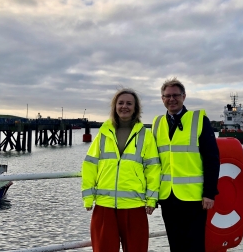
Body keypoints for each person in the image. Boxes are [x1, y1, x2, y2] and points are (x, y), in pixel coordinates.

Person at [81, 88, 161, 252]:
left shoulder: (145, 136)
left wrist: (151, 199)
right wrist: (88, 197)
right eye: (121, 103)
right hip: (104, 206)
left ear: (136, 108)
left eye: (129, 103)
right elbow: (90, 164)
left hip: (135, 206)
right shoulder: (103, 133)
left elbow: (153, 168)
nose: (124, 106)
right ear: (115, 106)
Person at [152, 77, 220, 252]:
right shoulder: (157, 123)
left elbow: (212, 158)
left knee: (195, 244)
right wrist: (151, 196)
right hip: (167, 196)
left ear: (184, 96)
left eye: (176, 95)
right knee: (175, 244)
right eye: (167, 96)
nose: (171, 99)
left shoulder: (198, 119)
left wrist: (209, 193)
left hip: (194, 198)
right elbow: (153, 163)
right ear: (162, 99)